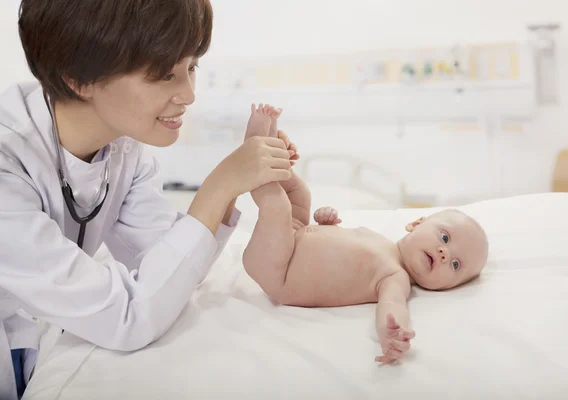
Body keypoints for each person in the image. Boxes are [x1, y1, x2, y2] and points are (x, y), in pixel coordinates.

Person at [0, 1, 296, 398]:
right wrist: (219, 186)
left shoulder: (123, 148)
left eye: (191, 67)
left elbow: (171, 265)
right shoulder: (7, 158)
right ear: (78, 78)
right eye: (163, 75)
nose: (188, 94)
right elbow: (129, 317)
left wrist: (241, 181)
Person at [241, 104, 489, 365]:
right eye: (445, 238)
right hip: (294, 236)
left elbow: (392, 307)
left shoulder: (395, 277)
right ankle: (272, 151)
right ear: (416, 223)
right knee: (300, 194)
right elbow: (332, 247)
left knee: (277, 205)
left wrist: (393, 333)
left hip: (280, 270)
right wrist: (325, 222)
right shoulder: (381, 241)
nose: (444, 253)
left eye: (455, 264)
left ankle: (254, 147)